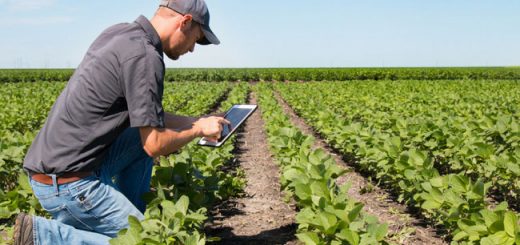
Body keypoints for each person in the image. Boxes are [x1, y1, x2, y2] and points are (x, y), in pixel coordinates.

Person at [12, 0, 228, 244]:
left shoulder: (121, 33)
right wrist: (198, 129)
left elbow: (148, 119)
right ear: (185, 22)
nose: (192, 50)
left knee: (139, 136)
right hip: (68, 184)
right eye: (196, 39)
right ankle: (43, 237)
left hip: (58, 168)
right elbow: (155, 144)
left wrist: (194, 120)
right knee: (148, 240)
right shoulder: (146, 57)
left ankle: (129, 217)